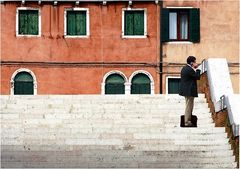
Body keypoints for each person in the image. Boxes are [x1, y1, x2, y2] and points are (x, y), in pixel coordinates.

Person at [179, 56, 201, 127]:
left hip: (187, 90)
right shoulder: (189, 69)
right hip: (189, 91)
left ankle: (188, 120)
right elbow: (197, 77)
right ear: (192, 63)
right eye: (195, 62)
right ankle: (187, 121)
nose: (196, 63)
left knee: (189, 106)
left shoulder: (185, 68)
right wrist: (197, 69)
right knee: (189, 106)